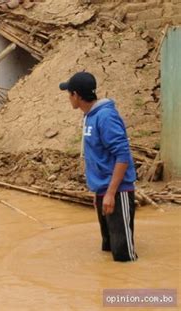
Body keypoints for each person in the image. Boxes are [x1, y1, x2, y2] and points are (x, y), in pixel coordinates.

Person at [59, 72, 138, 262]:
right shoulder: (90, 117)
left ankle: (128, 291)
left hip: (118, 192)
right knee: (108, 248)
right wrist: (99, 193)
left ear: (76, 95)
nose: (68, 98)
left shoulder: (105, 117)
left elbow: (122, 155)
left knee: (124, 256)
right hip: (104, 190)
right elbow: (98, 156)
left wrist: (110, 193)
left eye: (69, 93)